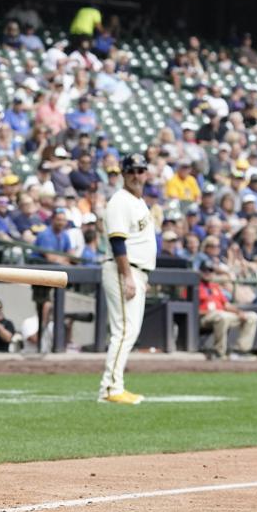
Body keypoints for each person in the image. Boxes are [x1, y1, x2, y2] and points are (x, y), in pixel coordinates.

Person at [99, 153, 156, 405]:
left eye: (140, 170)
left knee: (128, 331)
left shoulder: (138, 202)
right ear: (123, 173)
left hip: (135, 271)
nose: (136, 175)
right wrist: (128, 276)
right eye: (131, 170)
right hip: (123, 269)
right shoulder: (120, 201)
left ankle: (115, 385)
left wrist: (141, 275)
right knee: (124, 331)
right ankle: (111, 388)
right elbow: (118, 241)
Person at [198, 259, 257, 361]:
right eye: (205, 270)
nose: (208, 273)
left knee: (252, 316)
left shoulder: (215, 286)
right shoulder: (195, 286)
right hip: (204, 317)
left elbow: (226, 305)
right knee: (222, 316)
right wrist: (209, 312)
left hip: (221, 314)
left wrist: (239, 312)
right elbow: (191, 308)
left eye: (210, 271)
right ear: (200, 271)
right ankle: (219, 352)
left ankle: (240, 351)